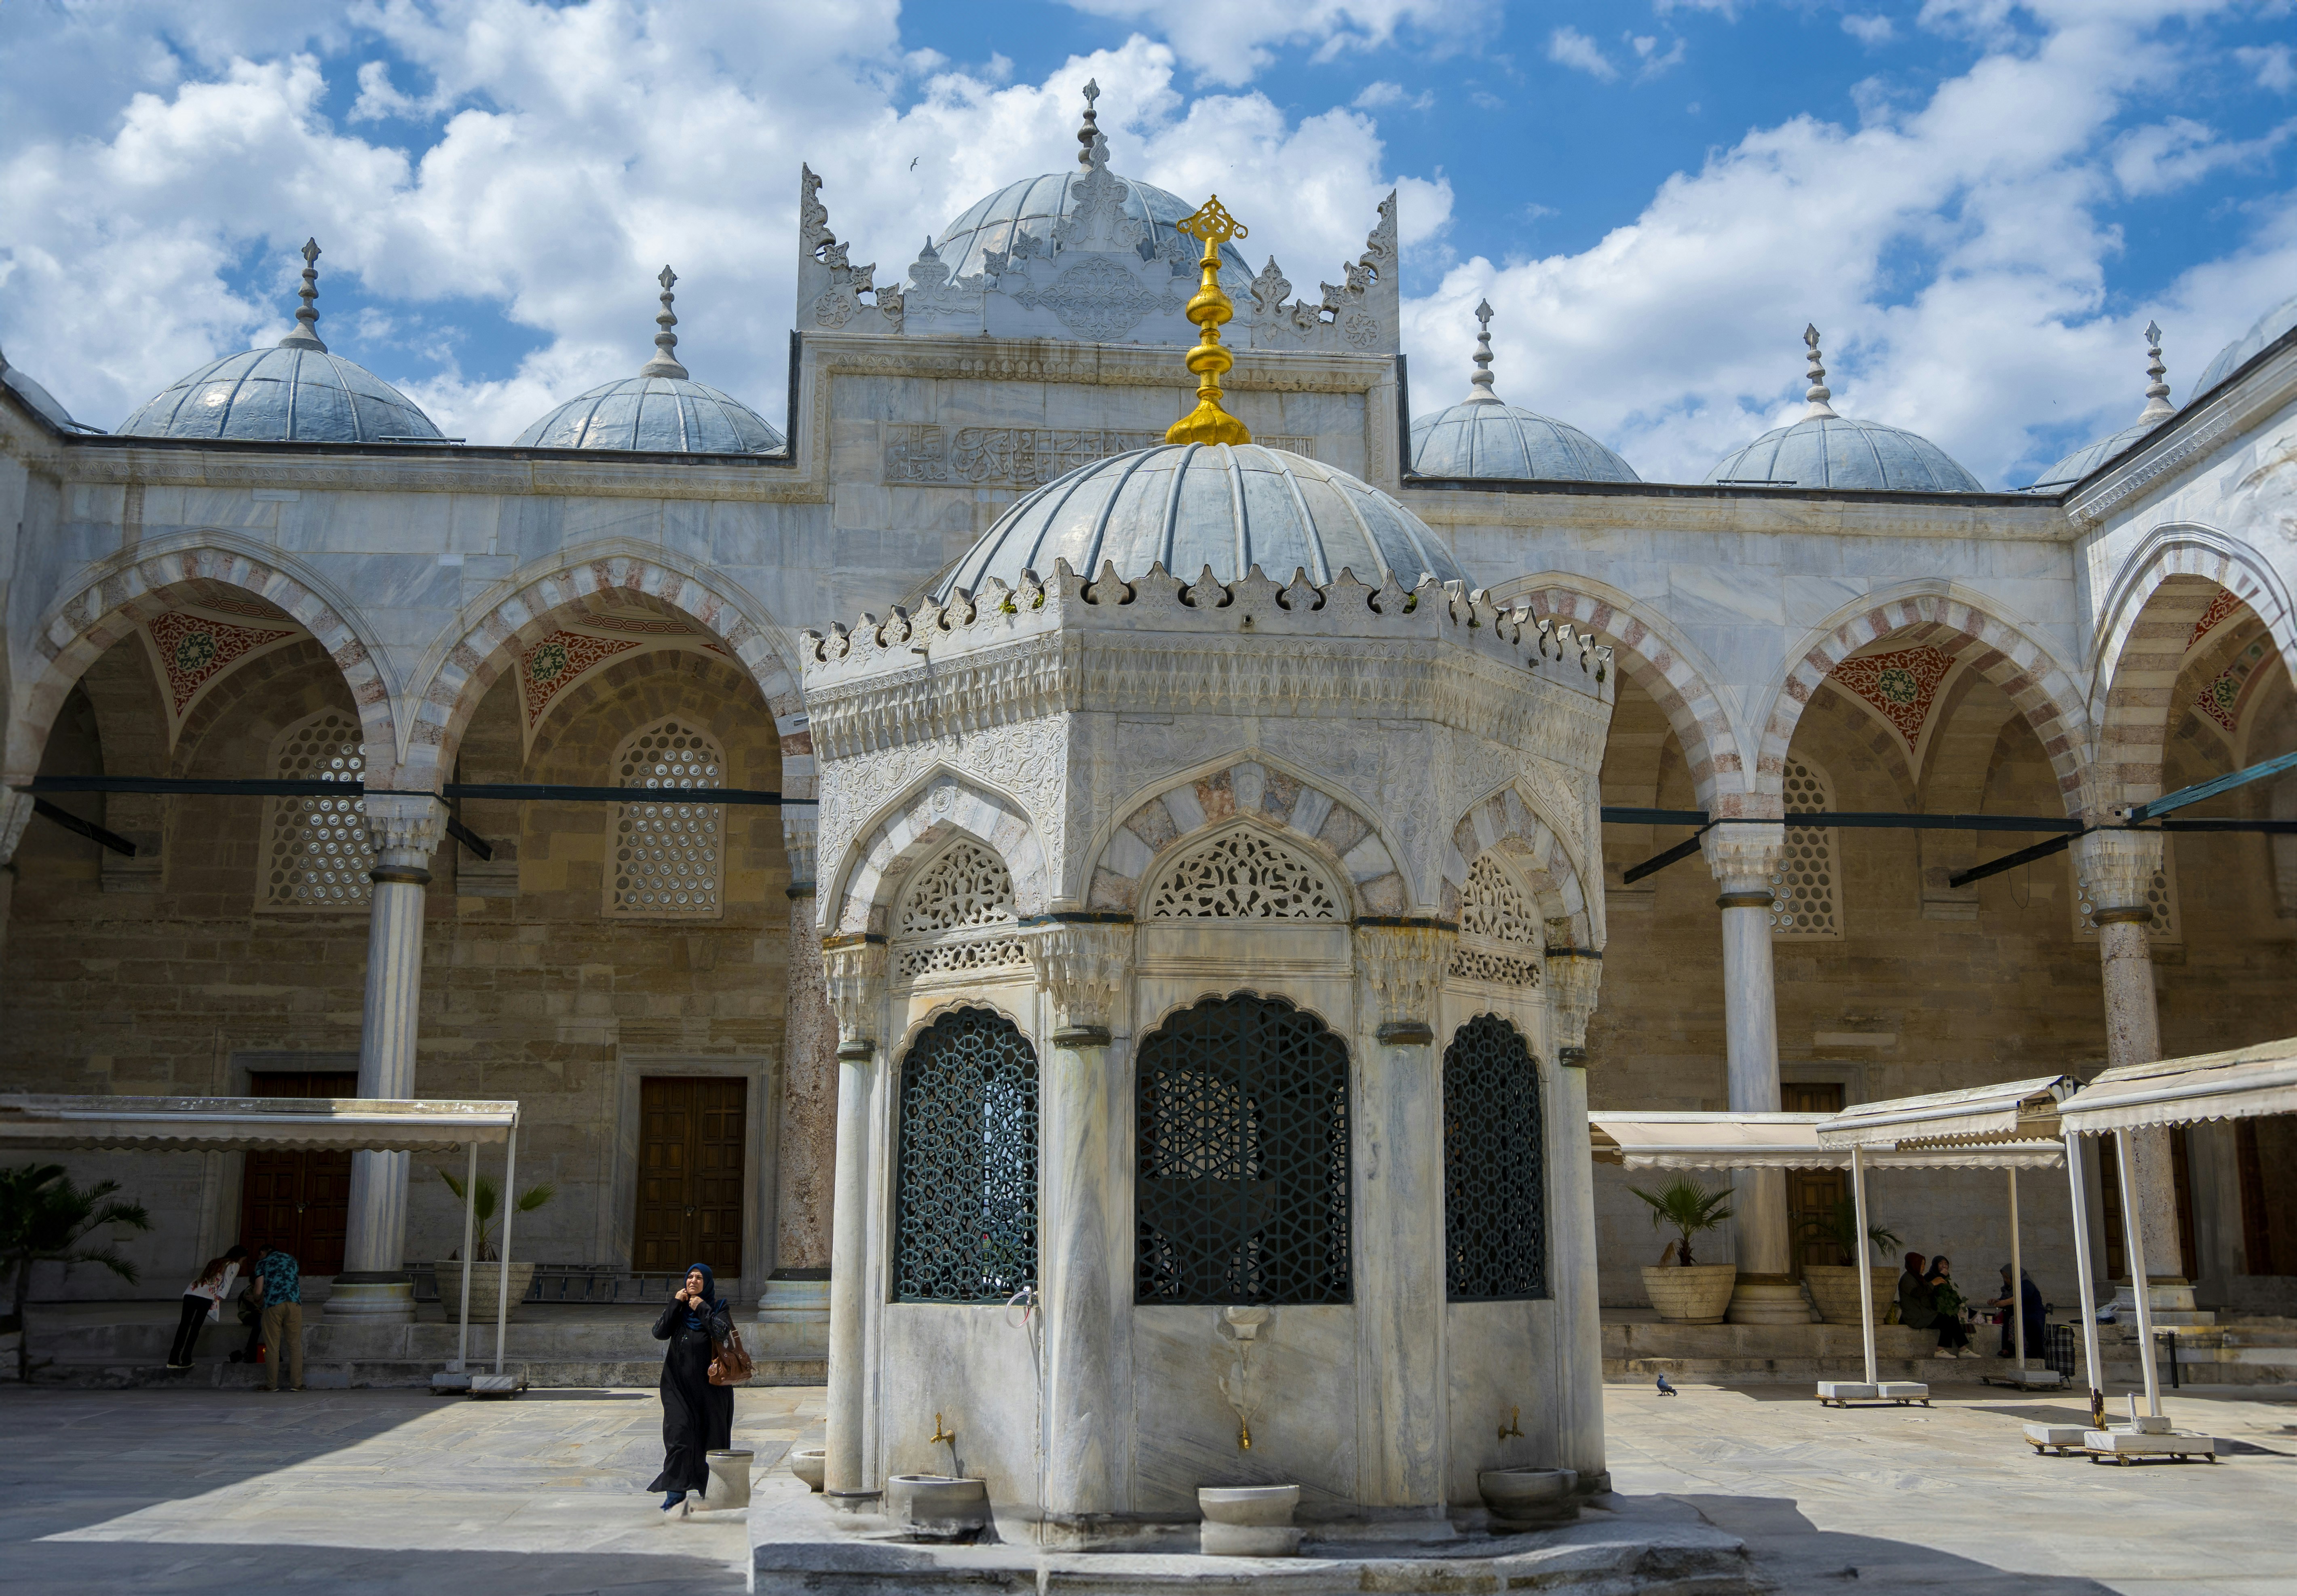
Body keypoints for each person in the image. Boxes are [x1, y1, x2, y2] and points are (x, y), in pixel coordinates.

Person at [649, 1263, 735, 1517]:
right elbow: (659, 1332)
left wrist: (702, 1308)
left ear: (707, 1283)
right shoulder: (679, 1309)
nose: (693, 1281)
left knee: (712, 1443)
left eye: (699, 1278)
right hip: (678, 1389)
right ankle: (675, 1501)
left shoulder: (719, 1307)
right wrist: (676, 1304)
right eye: (690, 1277)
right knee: (678, 1438)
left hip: (712, 1391)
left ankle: (712, 1497)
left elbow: (721, 1333)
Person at [167, 1246, 247, 1370]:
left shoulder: (215, 1261)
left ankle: (173, 1359)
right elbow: (227, 1283)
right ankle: (186, 1359)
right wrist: (219, 1299)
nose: (242, 1263)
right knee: (195, 1328)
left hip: (191, 1292)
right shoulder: (234, 1264)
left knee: (184, 1325)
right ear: (240, 1257)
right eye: (243, 1260)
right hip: (206, 1296)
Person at [250, 1241, 304, 1392]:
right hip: (294, 1304)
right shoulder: (292, 1260)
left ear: (262, 1252)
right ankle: (297, 1384)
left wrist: (255, 1298)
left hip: (273, 1304)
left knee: (272, 1346)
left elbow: (258, 1291)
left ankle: (271, 1385)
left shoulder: (263, 1263)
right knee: (295, 1345)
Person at [1992, 1263, 2046, 1359]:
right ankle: (2009, 1349)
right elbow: (2006, 1298)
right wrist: (1997, 1301)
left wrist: (2004, 1303)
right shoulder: (2010, 1287)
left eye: (2007, 1277)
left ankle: (2032, 1352)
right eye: (2004, 1277)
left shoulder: (2026, 1283)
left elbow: (2020, 1297)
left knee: (2028, 1323)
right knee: (2009, 1319)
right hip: (2017, 1314)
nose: (2005, 1280)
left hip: (2032, 1313)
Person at [1925, 1255, 1973, 1357]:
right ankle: (1953, 1350)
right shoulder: (1929, 1276)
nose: (1944, 1266)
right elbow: (1932, 1293)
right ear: (1935, 1265)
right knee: (1949, 1318)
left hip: (1942, 1310)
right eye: (1941, 1264)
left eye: (1946, 1264)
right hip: (1931, 1311)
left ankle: (1961, 1349)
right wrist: (1941, 1276)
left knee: (1952, 1316)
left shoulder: (1947, 1278)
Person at [1895, 1252, 1933, 1333]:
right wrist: (1933, 1284)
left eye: (1924, 1264)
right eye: (1921, 1264)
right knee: (1946, 1319)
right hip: (1915, 1318)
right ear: (1914, 1264)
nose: (1924, 1267)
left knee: (1950, 1319)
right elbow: (1916, 1292)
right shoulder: (1907, 1279)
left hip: (1923, 1314)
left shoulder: (1919, 1278)